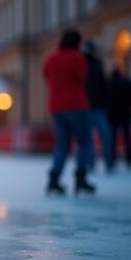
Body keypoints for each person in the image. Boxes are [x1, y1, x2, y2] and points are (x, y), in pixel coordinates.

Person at [42, 29, 95, 195]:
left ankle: (54, 179)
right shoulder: (78, 58)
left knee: (62, 145)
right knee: (84, 142)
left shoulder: (51, 59)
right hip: (76, 105)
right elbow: (82, 79)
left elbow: (46, 76)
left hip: (56, 107)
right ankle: (80, 178)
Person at [82, 41, 114, 171]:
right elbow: (104, 86)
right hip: (91, 107)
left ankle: (103, 163)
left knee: (100, 137)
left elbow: (103, 86)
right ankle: (95, 163)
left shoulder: (94, 65)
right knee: (101, 137)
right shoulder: (89, 65)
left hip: (94, 107)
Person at [107, 63, 131, 170]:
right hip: (125, 114)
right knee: (127, 138)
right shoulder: (126, 82)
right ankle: (129, 159)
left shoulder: (108, 83)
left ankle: (112, 160)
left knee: (112, 139)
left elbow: (104, 100)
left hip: (112, 115)